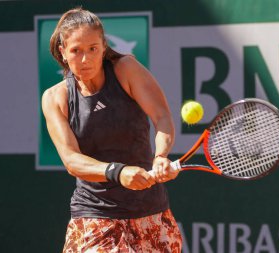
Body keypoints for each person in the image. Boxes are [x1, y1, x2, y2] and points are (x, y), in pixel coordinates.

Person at [42, 7, 182, 252]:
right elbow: (71, 160)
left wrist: (160, 156)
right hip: (94, 216)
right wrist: (117, 172)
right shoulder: (55, 97)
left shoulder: (127, 69)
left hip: (151, 213)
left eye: (93, 49)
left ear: (103, 46)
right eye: (76, 51)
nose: (85, 59)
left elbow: (162, 117)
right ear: (63, 52)